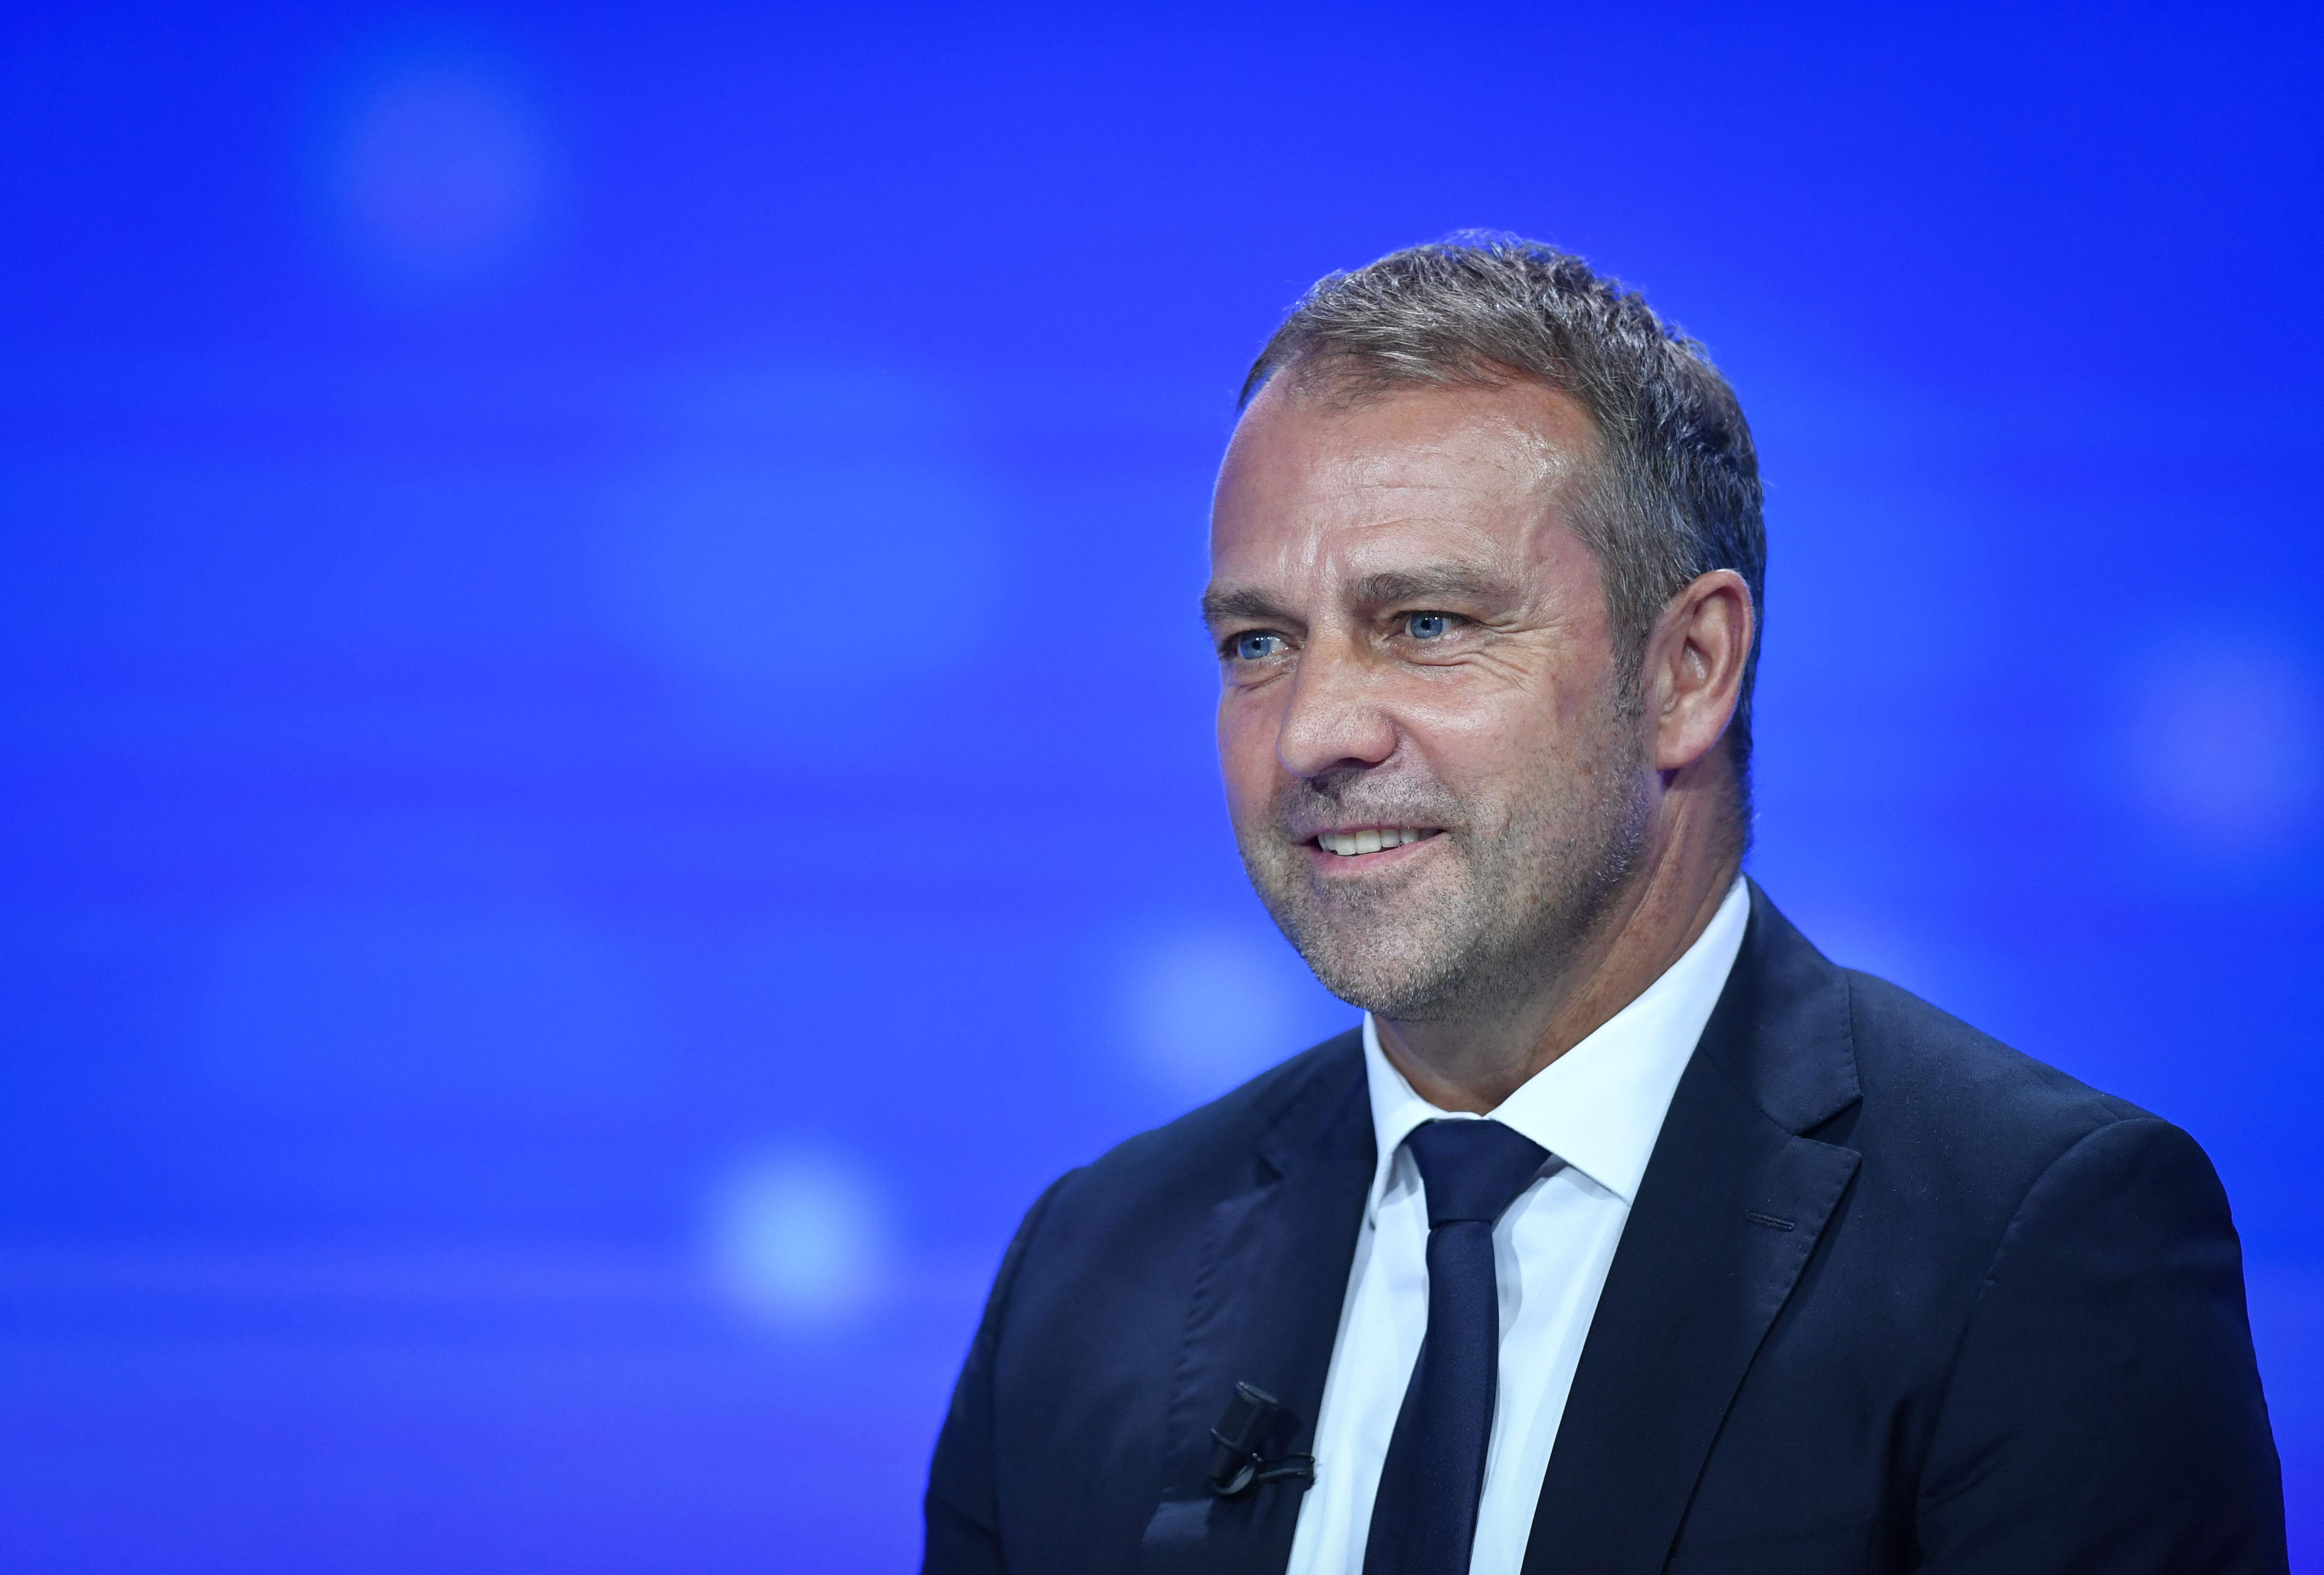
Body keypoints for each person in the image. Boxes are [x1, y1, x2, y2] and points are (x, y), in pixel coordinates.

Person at [920, 234, 2286, 1575]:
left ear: (1690, 669)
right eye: (1259, 643)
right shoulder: (1086, 1278)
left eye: (1428, 624)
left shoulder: (2036, 1245)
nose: (1314, 732)